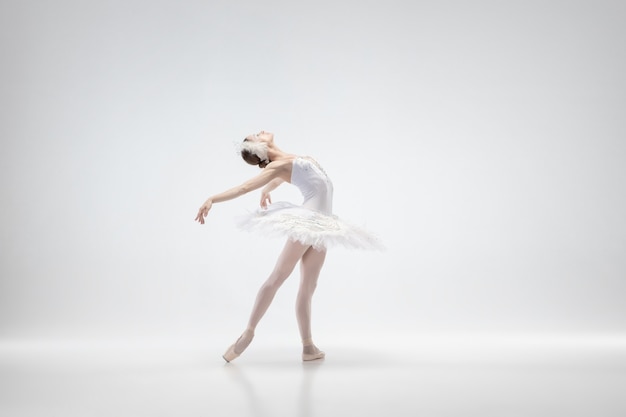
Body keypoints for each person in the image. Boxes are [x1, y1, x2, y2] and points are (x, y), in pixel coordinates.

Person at [195, 130, 382, 362]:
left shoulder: (285, 162)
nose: (258, 132)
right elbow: (244, 187)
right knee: (278, 276)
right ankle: (248, 333)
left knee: (308, 286)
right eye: (254, 136)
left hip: (323, 225)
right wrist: (212, 198)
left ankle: (308, 347)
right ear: (258, 148)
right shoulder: (277, 166)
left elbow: (287, 175)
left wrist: (268, 189)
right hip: (308, 222)